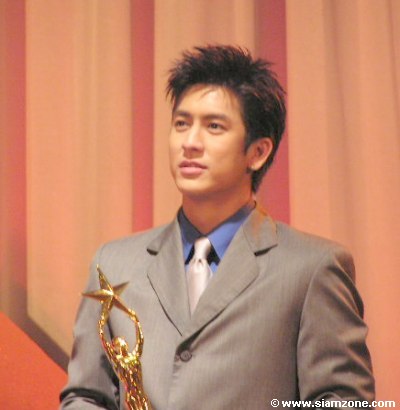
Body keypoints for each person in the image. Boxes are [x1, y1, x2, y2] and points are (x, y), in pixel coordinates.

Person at [60, 45, 375, 409]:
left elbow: (342, 401)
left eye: (214, 126)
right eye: (182, 124)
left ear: (258, 152)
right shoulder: (115, 263)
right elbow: (85, 395)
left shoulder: (312, 268)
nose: (190, 143)